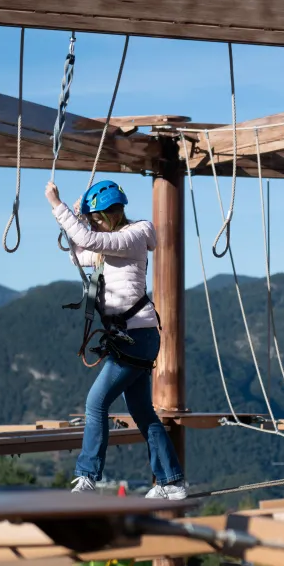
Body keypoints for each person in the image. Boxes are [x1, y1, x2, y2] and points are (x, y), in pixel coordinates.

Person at [45, 179, 187, 499]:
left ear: (112, 213)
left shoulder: (135, 235)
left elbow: (88, 241)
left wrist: (58, 205)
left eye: (97, 218)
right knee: (142, 412)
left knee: (96, 403)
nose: (94, 223)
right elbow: (78, 251)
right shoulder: (110, 241)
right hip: (132, 336)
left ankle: (87, 476)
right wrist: (78, 217)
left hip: (135, 335)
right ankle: (171, 482)